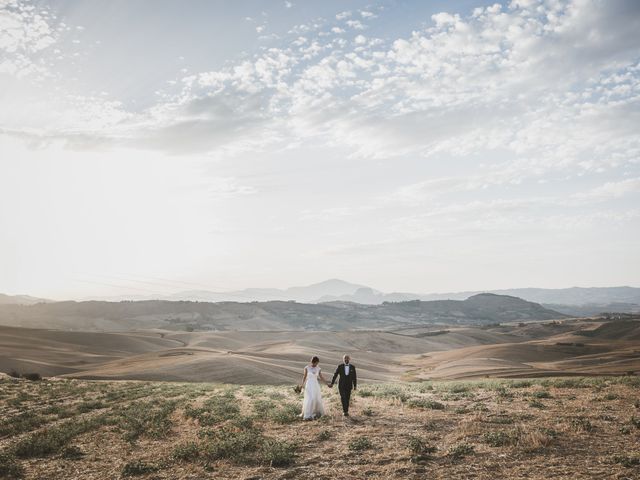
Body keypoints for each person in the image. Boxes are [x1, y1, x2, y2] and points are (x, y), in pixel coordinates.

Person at [300, 356, 327, 420]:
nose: (316, 364)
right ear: (312, 362)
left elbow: (321, 377)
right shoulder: (307, 368)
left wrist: (327, 384)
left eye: (317, 363)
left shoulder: (318, 368)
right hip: (309, 385)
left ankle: (316, 413)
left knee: (316, 398)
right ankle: (308, 414)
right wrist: (301, 385)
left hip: (315, 385)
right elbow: (304, 377)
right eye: (315, 363)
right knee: (310, 399)